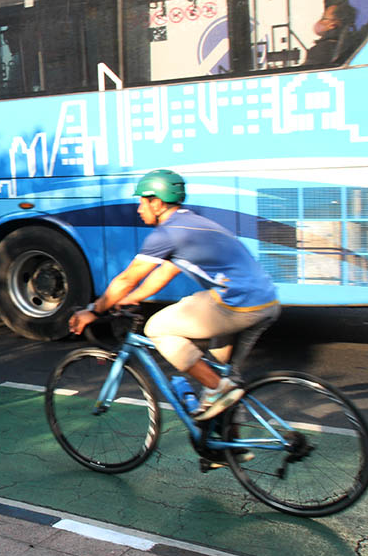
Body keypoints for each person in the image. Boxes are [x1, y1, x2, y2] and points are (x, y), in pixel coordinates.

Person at [68, 169, 281, 421]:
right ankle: (228, 447)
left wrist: (93, 311)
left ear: (156, 203)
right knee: (221, 373)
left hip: (237, 302)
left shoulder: (167, 233)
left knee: (156, 328)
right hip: (267, 302)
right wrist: (128, 298)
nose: (138, 209)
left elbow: (127, 278)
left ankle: (218, 390)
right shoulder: (192, 223)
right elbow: (162, 274)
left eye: (141, 202)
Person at [304, 2, 356, 66]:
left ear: (332, 25)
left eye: (323, 18)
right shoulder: (350, 43)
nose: (319, 21)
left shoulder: (322, 49)